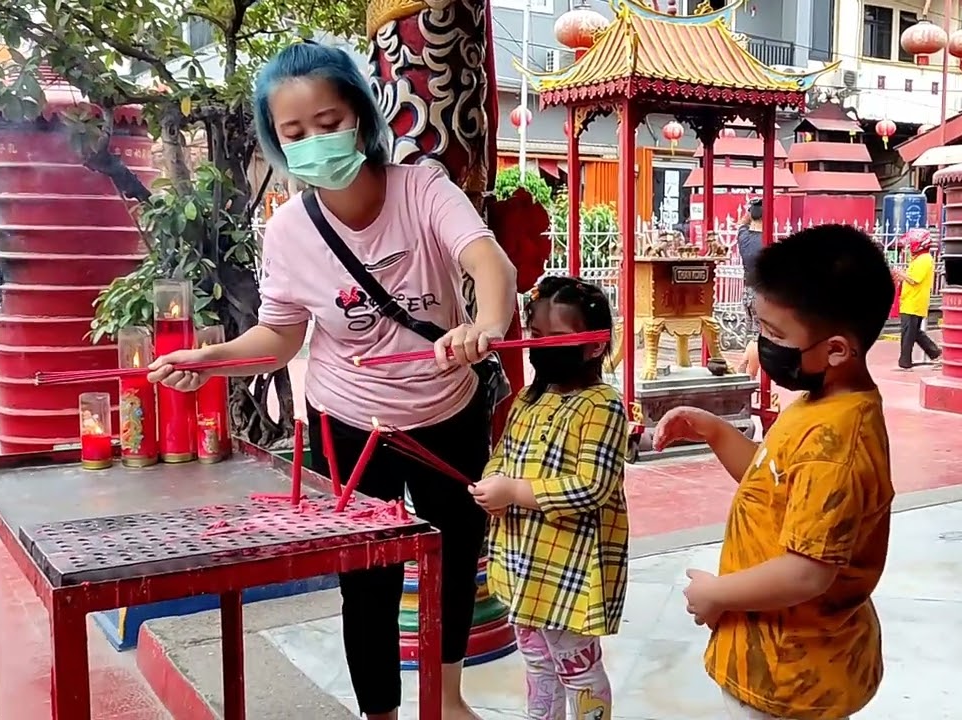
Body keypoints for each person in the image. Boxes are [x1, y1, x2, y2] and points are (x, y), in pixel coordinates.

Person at [147, 42, 517, 720]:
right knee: (366, 579)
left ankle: (450, 699)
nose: (315, 141)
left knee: (454, 556)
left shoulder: (422, 187)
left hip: (446, 410)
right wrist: (211, 358)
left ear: (360, 117)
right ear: (278, 142)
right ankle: (379, 713)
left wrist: (485, 324)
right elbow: (281, 335)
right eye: (295, 133)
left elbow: (488, 262)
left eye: (328, 121)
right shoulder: (288, 230)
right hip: (348, 423)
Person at [653, 225, 896, 720]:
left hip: (793, 675)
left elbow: (808, 571)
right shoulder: (819, 402)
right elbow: (775, 483)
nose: (763, 343)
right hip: (774, 653)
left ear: (835, 350)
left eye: (775, 334)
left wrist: (715, 594)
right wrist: (718, 433)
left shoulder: (836, 446)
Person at [469, 276, 629, 720]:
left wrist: (515, 492)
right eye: (535, 336)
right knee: (537, 662)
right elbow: (501, 458)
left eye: (557, 338)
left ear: (594, 346)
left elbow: (592, 487)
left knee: (578, 667)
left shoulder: (602, 406)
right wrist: (492, 489)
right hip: (522, 563)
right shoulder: (526, 400)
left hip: (569, 571)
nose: (540, 346)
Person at [892, 228, 941, 370]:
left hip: (915, 301)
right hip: (910, 301)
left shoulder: (924, 260)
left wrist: (900, 274)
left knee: (909, 333)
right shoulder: (919, 259)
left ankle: (905, 361)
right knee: (913, 332)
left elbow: (914, 280)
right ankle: (934, 353)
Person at [736, 198, 765, 376]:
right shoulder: (766, 241)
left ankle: (742, 365)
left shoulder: (743, 236)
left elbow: (742, 223)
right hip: (762, 293)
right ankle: (750, 375)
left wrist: (751, 211)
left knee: (751, 334)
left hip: (747, 290)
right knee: (758, 337)